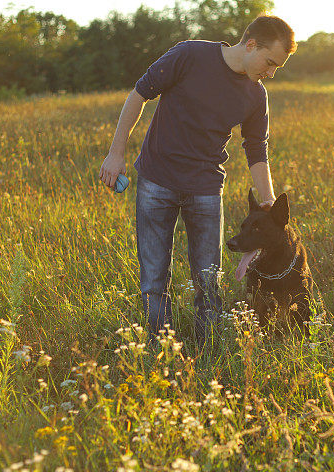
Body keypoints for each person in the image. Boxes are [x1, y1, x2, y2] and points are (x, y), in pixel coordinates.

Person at [99, 15, 296, 351]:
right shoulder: (189, 55)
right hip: (156, 181)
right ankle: (161, 351)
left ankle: (208, 354)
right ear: (251, 45)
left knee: (208, 281)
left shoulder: (256, 95)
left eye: (277, 66)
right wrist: (115, 154)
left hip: (205, 189)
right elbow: (139, 95)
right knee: (154, 278)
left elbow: (256, 150)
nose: (271, 72)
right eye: (270, 62)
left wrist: (269, 201)